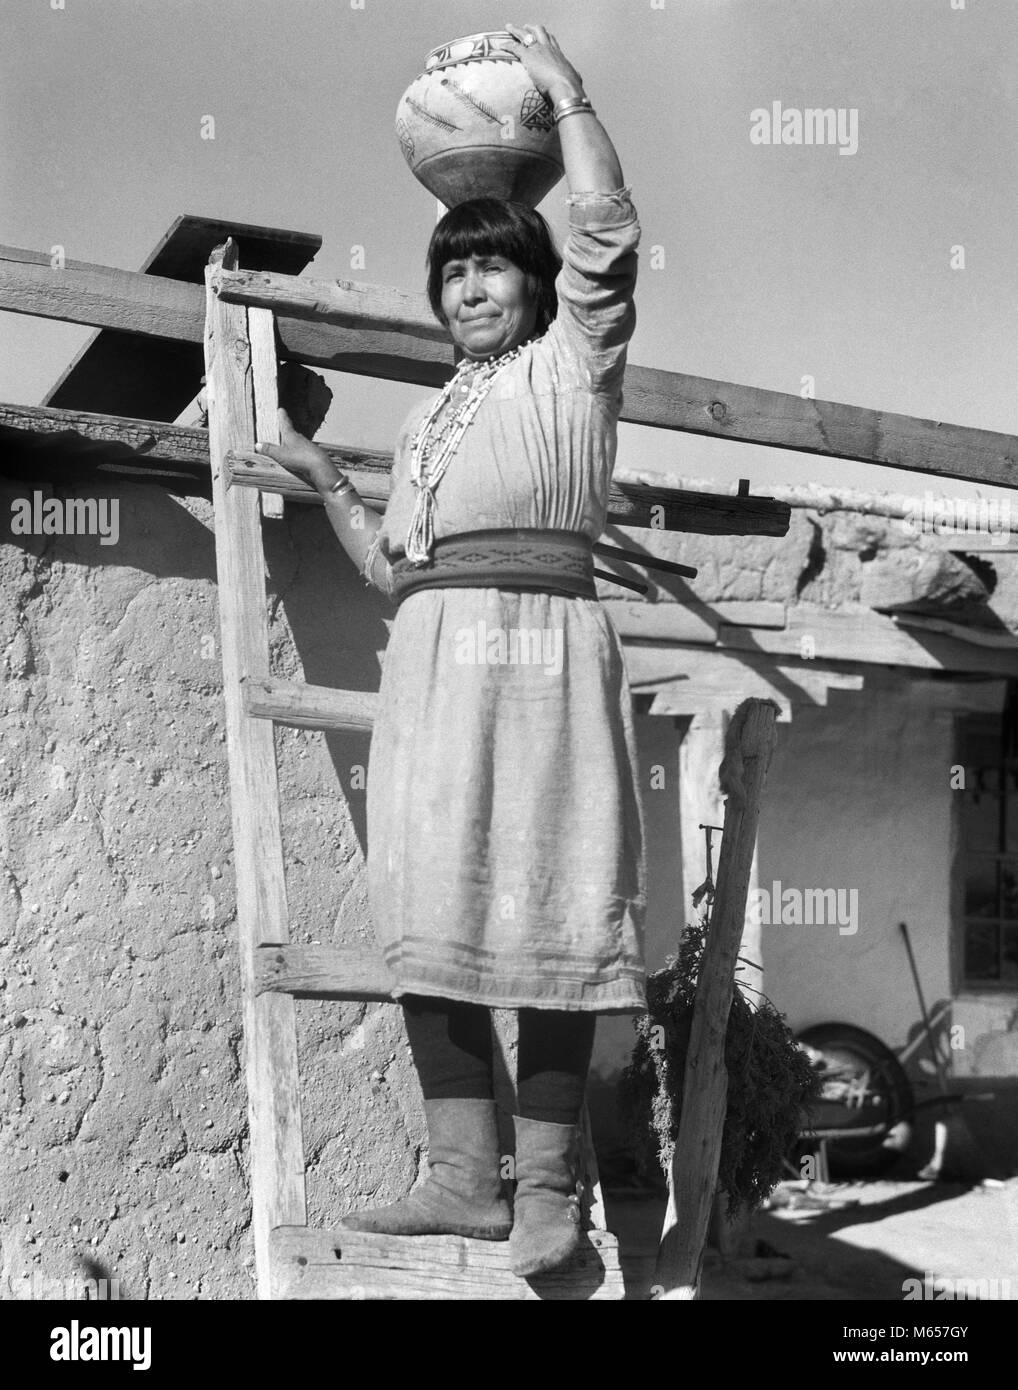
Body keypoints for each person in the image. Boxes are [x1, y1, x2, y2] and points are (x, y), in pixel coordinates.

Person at [241, 21, 646, 1279]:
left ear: (533, 279)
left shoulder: (574, 368)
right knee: (429, 910)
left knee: (556, 917)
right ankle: (464, 1180)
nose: (471, 291)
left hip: (546, 660)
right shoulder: (425, 419)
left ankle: (549, 1197)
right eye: (451, 276)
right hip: (432, 661)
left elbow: (607, 227)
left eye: (491, 270)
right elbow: (396, 571)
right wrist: (323, 480)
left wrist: (569, 93)